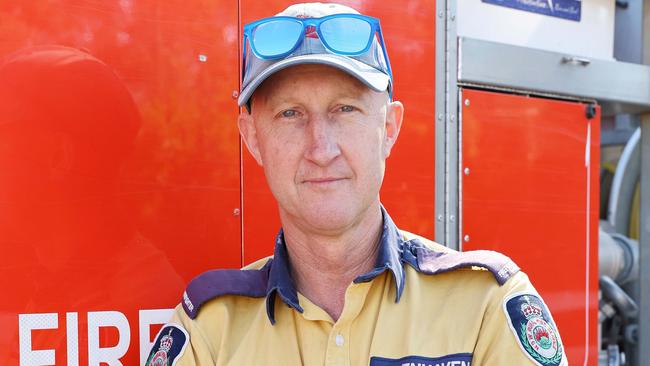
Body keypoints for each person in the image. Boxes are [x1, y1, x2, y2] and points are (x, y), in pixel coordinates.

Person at [145, 3, 568, 366]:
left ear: (388, 127)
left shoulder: (485, 308)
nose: (321, 147)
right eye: (290, 114)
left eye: (344, 109)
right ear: (253, 137)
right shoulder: (209, 334)